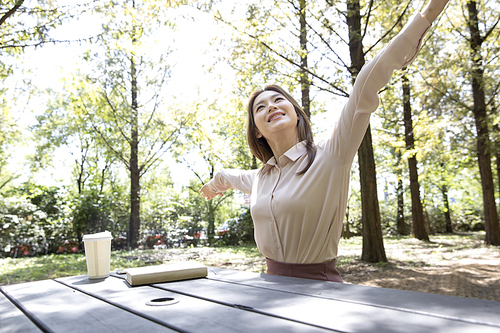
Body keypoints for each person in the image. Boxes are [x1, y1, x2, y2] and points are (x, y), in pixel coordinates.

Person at [199, 0, 450, 282]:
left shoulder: (331, 155)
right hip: (268, 287)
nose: (271, 106)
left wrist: (427, 14)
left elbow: (366, 83)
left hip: (320, 289)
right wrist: (211, 187)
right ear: (257, 130)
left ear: (296, 115)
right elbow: (226, 176)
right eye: (261, 107)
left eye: (279, 100)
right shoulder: (260, 178)